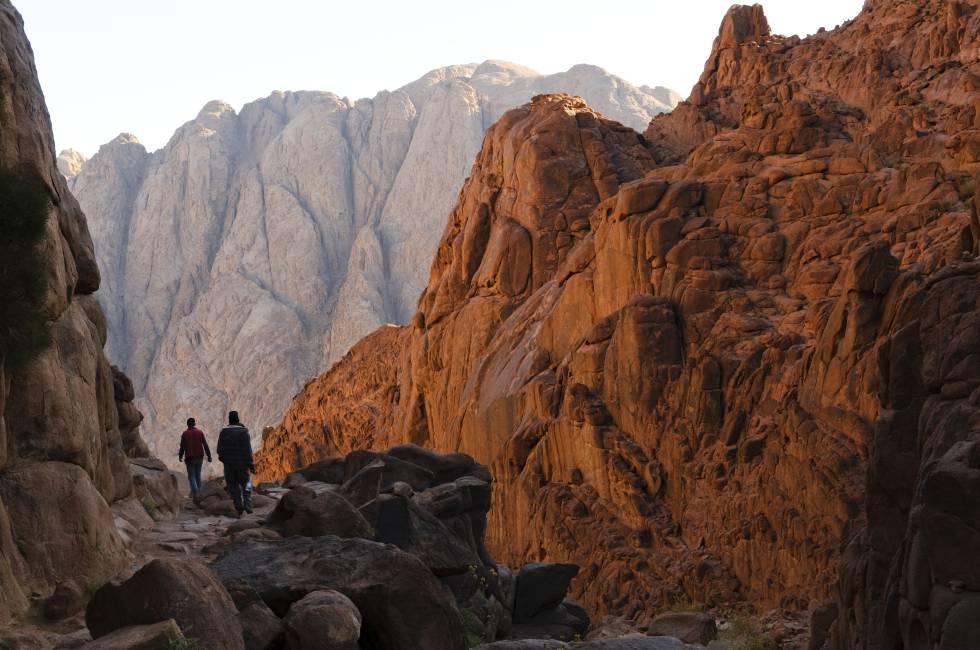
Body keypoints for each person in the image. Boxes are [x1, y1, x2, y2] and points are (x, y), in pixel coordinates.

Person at [216, 410, 254, 516]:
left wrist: (225, 460)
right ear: (238, 419)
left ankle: (239, 507)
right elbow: (248, 450)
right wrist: (250, 464)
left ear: (229, 420)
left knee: (233, 487)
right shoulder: (244, 432)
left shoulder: (223, 432)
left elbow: (219, 450)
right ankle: (248, 504)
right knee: (247, 484)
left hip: (229, 466)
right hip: (243, 465)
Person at [177, 417, 211, 497]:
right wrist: (209, 455)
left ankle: (196, 493)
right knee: (198, 475)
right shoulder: (200, 432)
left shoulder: (185, 434)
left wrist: (180, 456)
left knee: (191, 476)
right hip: (199, 457)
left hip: (190, 458)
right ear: (194, 424)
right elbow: (205, 445)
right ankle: (199, 493)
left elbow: (182, 447)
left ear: (187, 424)